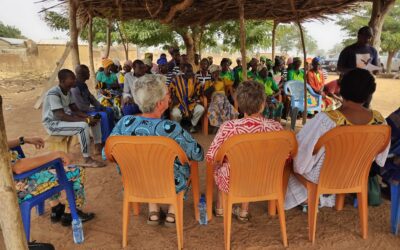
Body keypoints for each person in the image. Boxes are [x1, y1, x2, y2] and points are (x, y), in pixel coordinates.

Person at [285, 69, 390, 210]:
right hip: (354, 176)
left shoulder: (326, 120)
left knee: (290, 161)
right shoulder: (380, 121)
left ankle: (306, 199)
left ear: (341, 90)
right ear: (369, 93)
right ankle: (332, 199)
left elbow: (302, 151)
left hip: (322, 177)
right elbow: (380, 159)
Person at [108, 74, 204, 225]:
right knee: (184, 165)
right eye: (167, 94)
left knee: (145, 167)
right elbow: (198, 154)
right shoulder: (170, 129)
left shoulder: (124, 123)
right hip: (169, 184)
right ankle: (172, 211)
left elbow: (106, 153)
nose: (169, 97)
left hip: (136, 183)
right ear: (160, 103)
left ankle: (153, 210)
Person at [206, 80, 283, 221]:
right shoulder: (276, 127)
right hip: (267, 180)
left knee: (222, 166)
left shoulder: (229, 127)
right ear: (263, 104)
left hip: (235, 180)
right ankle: (243, 211)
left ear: (240, 105)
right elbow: (287, 156)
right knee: (253, 164)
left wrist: (221, 161)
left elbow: (212, 156)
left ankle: (220, 208)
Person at [9, 136, 95, 226]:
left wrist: (24, 140)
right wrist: (56, 154)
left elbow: (3, 144)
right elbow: (18, 168)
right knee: (76, 171)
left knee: (53, 164)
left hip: (18, 179)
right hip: (18, 187)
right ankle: (70, 213)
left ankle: (56, 207)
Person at [42, 69, 105, 168]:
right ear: (63, 81)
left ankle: (97, 145)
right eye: (72, 79)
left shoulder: (68, 91)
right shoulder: (54, 93)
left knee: (95, 119)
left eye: (74, 78)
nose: (75, 81)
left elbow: (75, 109)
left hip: (62, 122)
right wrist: (85, 120)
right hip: (53, 125)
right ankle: (87, 159)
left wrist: (88, 117)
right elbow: (60, 115)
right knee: (82, 126)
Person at [71, 64, 115, 143]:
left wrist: (100, 106)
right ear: (82, 74)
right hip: (81, 112)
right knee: (103, 115)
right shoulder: (75, 88)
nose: (89, 73)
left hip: (87, 109)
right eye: (88, 72)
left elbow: (91, 98)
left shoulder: (83, 85)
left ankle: (111, 134)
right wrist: (93, 108)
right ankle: (104, 140)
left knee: (109, 110)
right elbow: (80, 107)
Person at [170, 63, 205, 133]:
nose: (190, 73)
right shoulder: (176, 79)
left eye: (191, 71)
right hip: (179, 102)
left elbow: (199, 90)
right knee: (175, 114)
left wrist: (196, 96)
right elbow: (171, 91)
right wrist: (175, 99)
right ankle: (178, 127)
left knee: (201, 109)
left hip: (190, 103)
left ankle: (192, 125)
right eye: (187, 72)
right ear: (183, 71)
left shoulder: (195, 79)